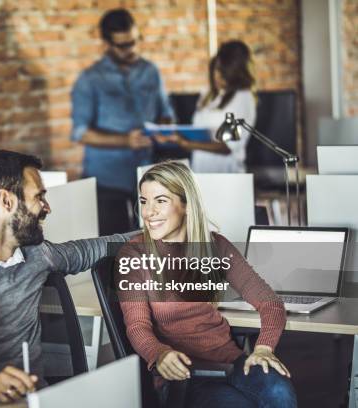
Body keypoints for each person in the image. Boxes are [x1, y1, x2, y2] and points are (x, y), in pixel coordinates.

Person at [0, 150, 135, 403]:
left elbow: (98, 247)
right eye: (39, 197)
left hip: (36, 400)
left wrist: (160, 233)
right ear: (6, 201)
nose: (47, 208)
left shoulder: (38, 254)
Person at [119, 161, 296, 407]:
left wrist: (264, 348)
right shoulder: (134, 254)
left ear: (187, 205)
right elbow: (137, 325)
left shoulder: (215, 246)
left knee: (279, 390)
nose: (148, 212)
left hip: (231, 363)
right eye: (144, 201)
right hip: (185, 376)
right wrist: (158, 354)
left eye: (160, 201)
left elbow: (271, 304)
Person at [71, 8, 175, 235]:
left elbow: (165, 112)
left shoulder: (151, 71)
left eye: (136, 41)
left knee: (152, 247)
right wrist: (125, 140)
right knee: (112, 251)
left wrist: (164, 128)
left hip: (148, 176)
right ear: (107, 44)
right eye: (125, 45)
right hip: (106, 181)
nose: (134, 49)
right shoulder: (90, 79)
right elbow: (81, 133)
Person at [157, 40, 257, 173]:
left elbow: (229, 147)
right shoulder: (207, 94)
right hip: (200, 170)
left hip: (227, 175)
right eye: (217, 69)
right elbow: (198, 130)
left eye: (223, 72)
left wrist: (188, 144)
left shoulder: (243, 97)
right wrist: (174, 135)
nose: (217, 76)